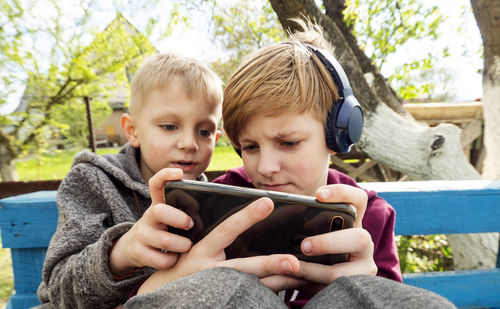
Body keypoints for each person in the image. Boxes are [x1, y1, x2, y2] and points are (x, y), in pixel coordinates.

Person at [124, 21, 455, 308]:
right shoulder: (220, 201)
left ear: (337, 135)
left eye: (289, 143)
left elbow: (384, 295)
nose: (266, 166)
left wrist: (356, 284)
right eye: (250, 147)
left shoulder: (372, 216)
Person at [36, 52, 225, 308]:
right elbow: (59, 289)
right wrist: (119, 255)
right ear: (132, 131)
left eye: (204, 131)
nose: (189, 143)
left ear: (216, 139)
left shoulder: (213, 200)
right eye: (169, 126)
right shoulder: (93, 180)